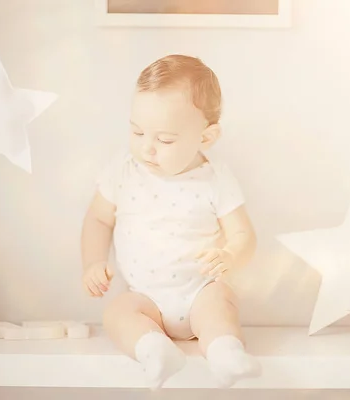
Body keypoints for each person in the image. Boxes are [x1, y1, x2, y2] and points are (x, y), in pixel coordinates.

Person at [81, 54, 261, 389]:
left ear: (206, 138)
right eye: (137, 132)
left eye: (164, 139)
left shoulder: (215, 178)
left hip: (199, 292)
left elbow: (243, 234)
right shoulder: (123, 171)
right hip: (146, 299)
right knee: (117, 313)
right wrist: (93, 262)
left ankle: (225, 353)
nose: (147, 148)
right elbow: (97, 220)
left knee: (220, 302)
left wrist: (230, 254)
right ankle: (154, 349)